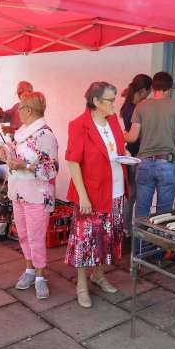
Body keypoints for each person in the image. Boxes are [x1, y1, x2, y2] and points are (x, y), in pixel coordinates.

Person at [65, 81, 128, 308]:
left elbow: (117, 149)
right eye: (110, 100)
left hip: (116, 190)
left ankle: (98, 274)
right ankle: (81, 284)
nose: (114, 104)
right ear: (96, 102)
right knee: (85, 240)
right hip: (91, 193)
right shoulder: (79, 125)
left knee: (108, 237)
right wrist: (82, 195)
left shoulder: (112, 121)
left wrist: (124, 155)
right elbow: (73, 161)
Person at [1, 91, 58, 300]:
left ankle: (41, 277)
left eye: (20, 107)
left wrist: (23, 165)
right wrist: (7, 154)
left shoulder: (45, 136)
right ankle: (29, 270)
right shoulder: (22, 133)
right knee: (23, 235)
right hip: (18, 192)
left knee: (36, 238)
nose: (18, 111)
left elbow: (51, 170)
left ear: (28, 110)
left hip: (37, 195)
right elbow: (17, 157)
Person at [125, 71, 175, 218]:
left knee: (142, 209)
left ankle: (138, 241)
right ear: (170, 89)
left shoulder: (141, 106)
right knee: (164, 212)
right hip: (167, 162)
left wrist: (122, 134)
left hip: (144, 163)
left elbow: (132, 137)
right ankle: (156, 241)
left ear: (152, 88)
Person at [119, 74, 152, 244]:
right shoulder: (137, 108)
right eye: (149, 92)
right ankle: (132, 233)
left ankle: (125, 229)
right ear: (144, 90)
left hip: (130, 154)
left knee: (130, 194)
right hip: (138, 155)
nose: (149, 96)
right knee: (137, 195)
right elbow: (136, 134)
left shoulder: (127, 105)